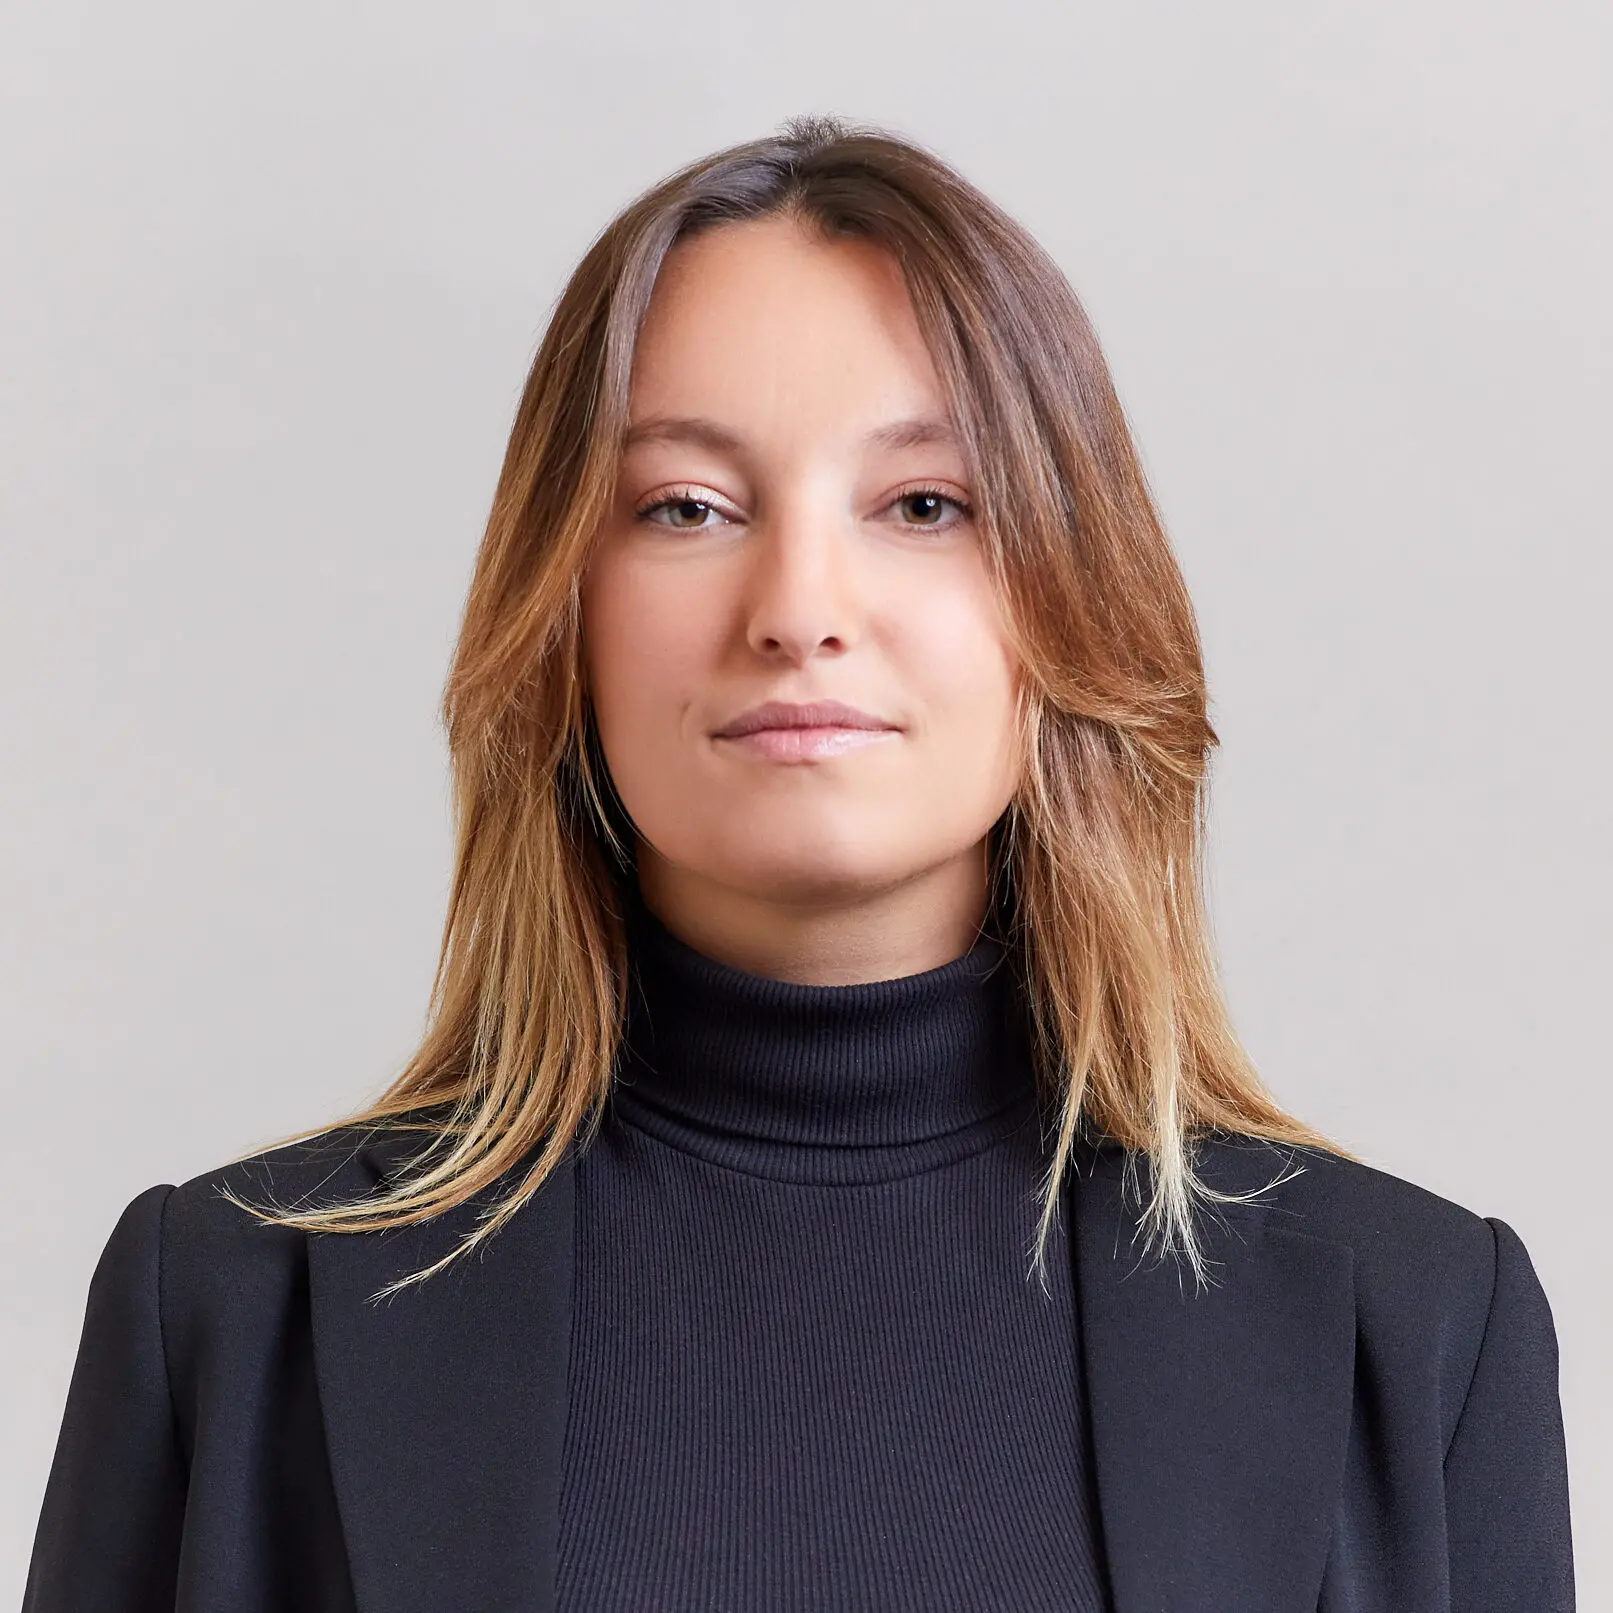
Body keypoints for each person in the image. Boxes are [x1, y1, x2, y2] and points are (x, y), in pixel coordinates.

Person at [24, 115, 1574, 1613]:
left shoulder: (1416, 1327)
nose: (799, 607)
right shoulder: (234, 1313)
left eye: (921, 504)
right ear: (558, 614)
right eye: (686, 506)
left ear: (1069, 600)